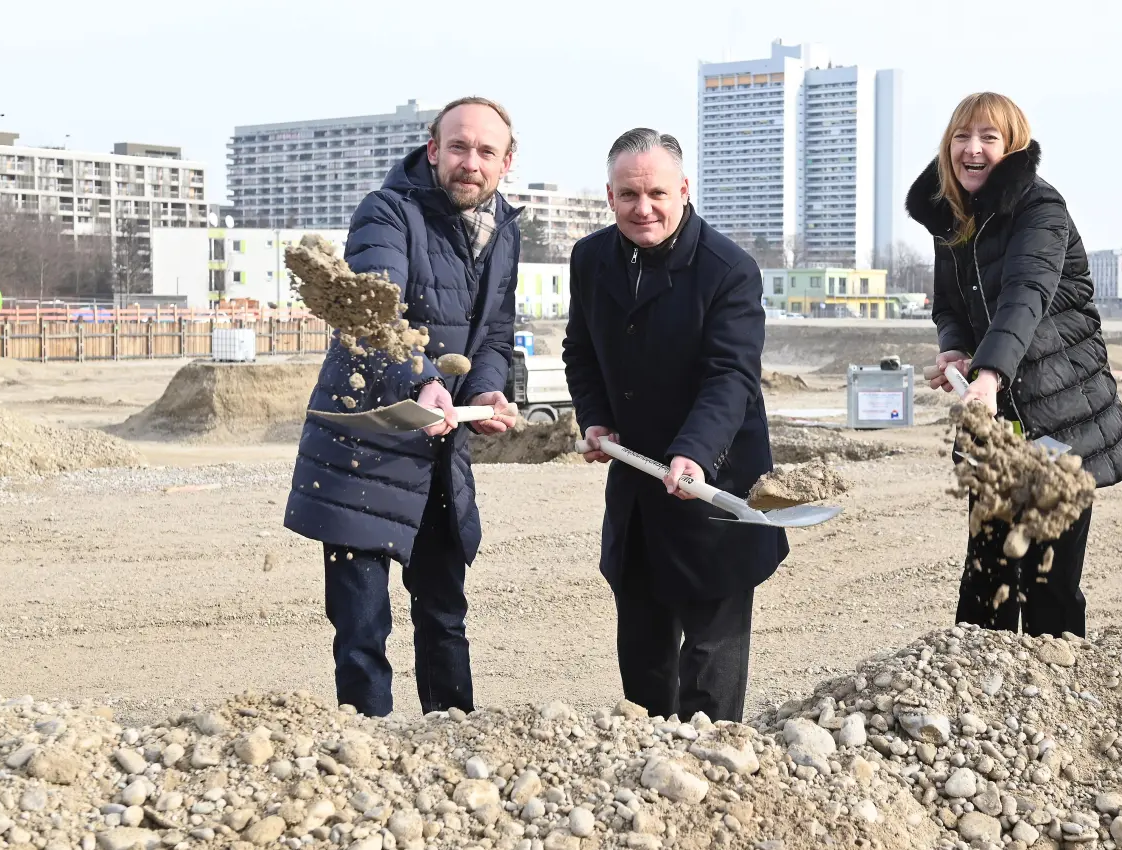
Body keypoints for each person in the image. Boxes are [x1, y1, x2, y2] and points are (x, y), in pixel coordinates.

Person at [285, 96, 522, 717]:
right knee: (362, 629)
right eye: (459, 147)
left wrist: (487, 392)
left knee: (445, 615)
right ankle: (369, 755)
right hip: (365, 446)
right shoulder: (386, 213)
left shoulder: (504, 231)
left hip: (440, 448)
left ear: (507, 161)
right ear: (432, 148)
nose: (471, 162)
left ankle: (452, 745)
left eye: (486, 151)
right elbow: (372, 313)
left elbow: (493, 336)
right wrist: (421, 380)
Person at [562, 128, 787, 723]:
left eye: (657, 193)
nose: (644, 208)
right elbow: (579, 353)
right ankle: (645, 776)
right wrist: (596, 418)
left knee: (710, 672)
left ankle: (712, 778)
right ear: (609, 197)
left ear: (684, 190)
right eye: (628, 195)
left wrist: (694, 452)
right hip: (638, 487)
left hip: (715, 486)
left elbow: (730, 378)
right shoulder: (590, 259)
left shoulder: (728, 270)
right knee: (643, 662)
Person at [905, 92, 1122, 637]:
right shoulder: (956, 217)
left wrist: (987, 375)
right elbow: (951, 306)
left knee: (1049, 584)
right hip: (1000, 418)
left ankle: (1055, 699)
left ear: (1013, 148)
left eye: (988, 138)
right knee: (986, 578)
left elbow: (1025, 295)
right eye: (962, 137)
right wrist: (955, 350)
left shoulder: (1040, 209)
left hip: (1063, 412)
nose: (972, 149)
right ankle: (977, 703)